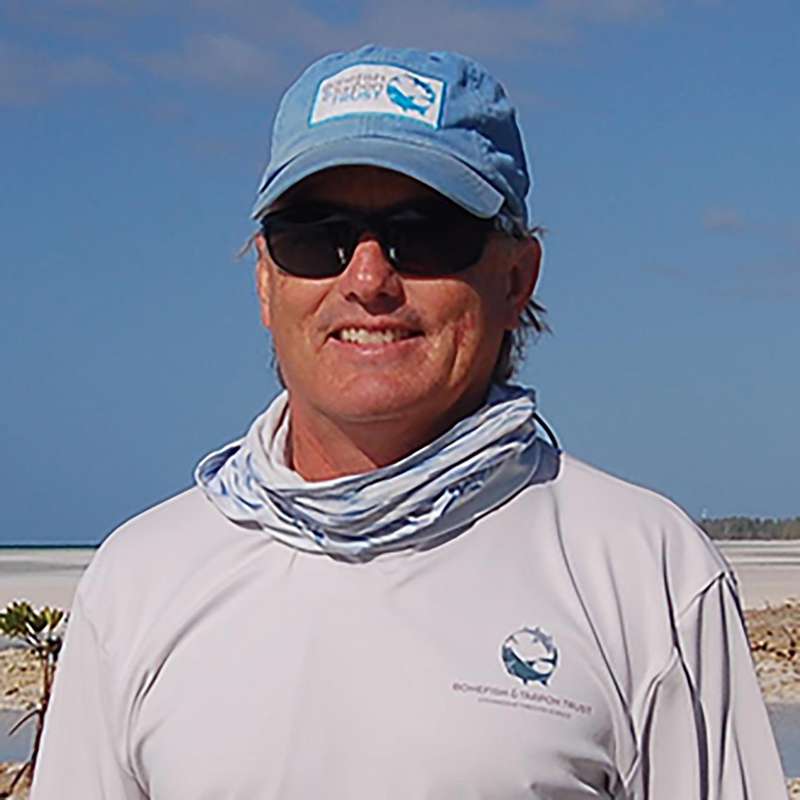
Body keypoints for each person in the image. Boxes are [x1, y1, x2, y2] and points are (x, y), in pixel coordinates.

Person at [31, 44, 786, 799]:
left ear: (516, 278)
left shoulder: (648, 573)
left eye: (424, 233)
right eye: (314, 236)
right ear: (266, 280)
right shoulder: (138, 582)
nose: (367, 280)